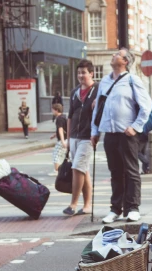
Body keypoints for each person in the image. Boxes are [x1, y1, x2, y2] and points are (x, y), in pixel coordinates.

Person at [90, 47, 152, 224]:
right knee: (115, 172)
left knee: (131, 170)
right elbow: (98, 109)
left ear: (125, 61)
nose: (113, 55)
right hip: (109, 133)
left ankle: (133, 208)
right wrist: (95, 132)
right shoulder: (104, 81)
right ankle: (115, 208)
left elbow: (146, 105)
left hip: (127, 134)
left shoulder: (133, 80)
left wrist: (135, 126)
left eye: (117, 54)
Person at [63, 59, 97, 216]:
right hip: (75, 137)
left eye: (84, 72)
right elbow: (70, 116)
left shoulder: (97, 90)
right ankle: (88, 204)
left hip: (88, 137)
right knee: (84, 170)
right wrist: (68, 139)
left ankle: (73, 204)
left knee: (77, 168)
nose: (81, 75)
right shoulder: (74, 92)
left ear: (91, 73)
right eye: (78, 73)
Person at [50, 103, 67, 174]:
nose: (52, 112)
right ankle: (61, 170)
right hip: (66, 139)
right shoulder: (63, 117)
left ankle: (56, 171)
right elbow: (63, 129)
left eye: (53, 110)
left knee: (56, 155)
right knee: (62, 156)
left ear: (56, 110)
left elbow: (60, 129)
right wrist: (54, 135)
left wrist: (62, 141)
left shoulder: (59, 119)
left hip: (62, 140)